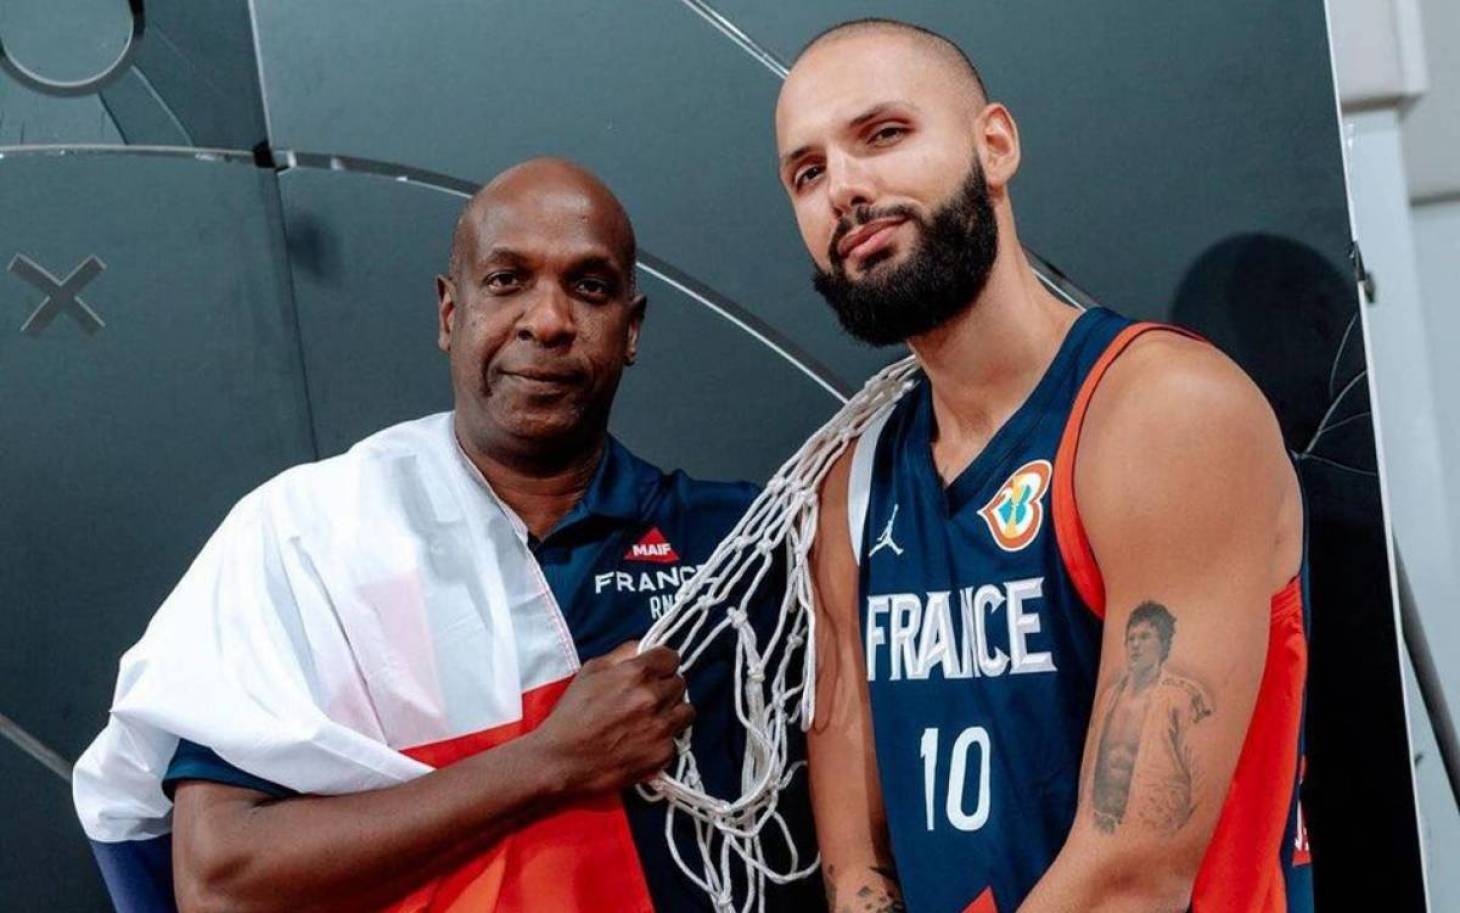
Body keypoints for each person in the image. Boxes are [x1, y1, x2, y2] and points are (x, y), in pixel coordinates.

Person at [73, 157, 819, 913]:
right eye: (507, 281)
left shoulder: (746, 544)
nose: (548, 320)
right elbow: (221, 882)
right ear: (448, 313)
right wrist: (551, 759)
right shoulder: (312, 535)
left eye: (588, 287)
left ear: (631, 329)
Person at [773, 19, 1311, 913]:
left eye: (883, 135)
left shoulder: (1162, 412)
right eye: (808, 173)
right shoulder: (854, 482)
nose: (845, 190)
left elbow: (1134, 878)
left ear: (994, 144)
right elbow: (858, 863)